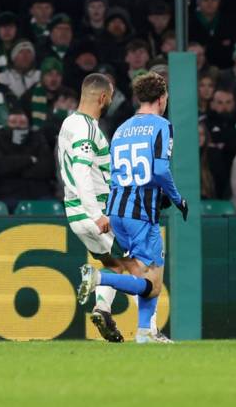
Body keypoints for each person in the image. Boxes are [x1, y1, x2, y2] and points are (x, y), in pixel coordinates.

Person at [77, 72, 188, 344]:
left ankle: (145, 332)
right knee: (152, 284)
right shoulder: (162, 125)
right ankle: (98, 277)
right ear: (162, 98)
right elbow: (160, 169)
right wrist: (176, 198)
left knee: (143, 273)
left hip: (117, 210)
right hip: (141, 213)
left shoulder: (121, 129)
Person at [56, 73, 124, 342]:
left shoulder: (69, 123)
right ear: (103, 97)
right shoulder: (87, 129)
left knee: (115, 264)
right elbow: (82, 171)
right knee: (146, 264)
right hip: (95, 211)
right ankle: (149, 330)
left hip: (75, 213)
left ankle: (102, 308)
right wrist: (97, 214)